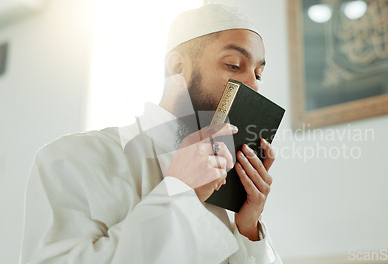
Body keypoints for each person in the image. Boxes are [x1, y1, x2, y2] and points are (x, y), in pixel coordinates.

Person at [20, 4, 283, 264]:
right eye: (234, 65)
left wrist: (249, 231)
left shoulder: (226, 186)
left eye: (258, 74)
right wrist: (180, 193)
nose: (253, 86)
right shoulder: (71, 160)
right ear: (178, 66)